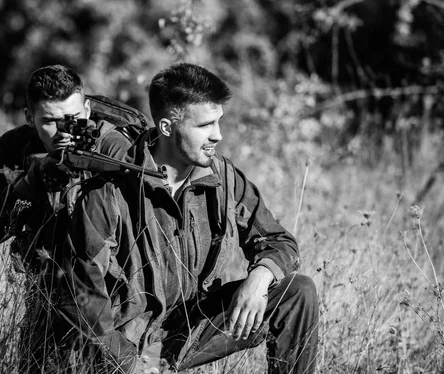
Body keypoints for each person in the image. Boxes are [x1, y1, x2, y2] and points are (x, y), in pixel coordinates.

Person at [52, 63, 319, 373]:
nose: (217, 135)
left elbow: (277, 240)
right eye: (204, 125)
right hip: (125, 345)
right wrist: (128, 363)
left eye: (219, 121)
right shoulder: (109, 190)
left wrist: (260, 278)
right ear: (167, 127)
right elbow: (82, 297)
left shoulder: (223, 177)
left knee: (297, 292)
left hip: (190, 328)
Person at [0, 64, 132, 372]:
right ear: (29, 117)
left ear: (88, 108)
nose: (65, 130)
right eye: (50, 121)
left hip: (110, 292)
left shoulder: (113, 145)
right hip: (45, 288)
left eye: (75, 119)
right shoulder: (15, 147)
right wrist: (32, 180)